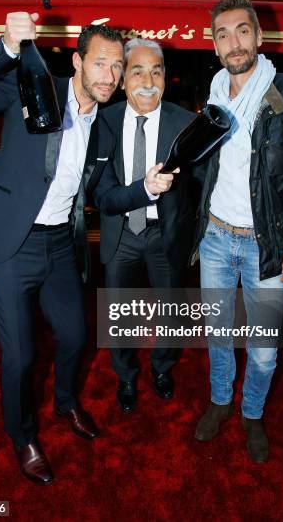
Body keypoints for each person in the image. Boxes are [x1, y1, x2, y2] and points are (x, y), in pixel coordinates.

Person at [0, 14, 173, 485]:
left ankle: (66, 402)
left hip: (59, 245)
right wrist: (5, 44)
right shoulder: (33, 85)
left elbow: (105, 196)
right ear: (77, 62)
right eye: (101, 64)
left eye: (117, 67)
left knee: (74, 336)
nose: (110, 76)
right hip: (11, 242)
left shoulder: (105, 129)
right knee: (22, 356)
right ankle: (22, 434)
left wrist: (145, 189)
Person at [193, 0, 283, 462]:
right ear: (214, 45)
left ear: (259, 37)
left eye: (242, 31)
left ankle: (252, 414)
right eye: (224, 34)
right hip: (215, 237)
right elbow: (207, 171)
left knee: (265, 350)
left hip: (267, 245)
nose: (234, 42)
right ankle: (220, 402)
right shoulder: (212, 96)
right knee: (216, 332)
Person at [93, 38, 203, 412]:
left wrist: (199, 234)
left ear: (165, 77)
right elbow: (101, 192)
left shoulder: (186, 123)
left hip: (166, 234)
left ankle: (163, 368)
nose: (148, 80)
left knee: (171, 312)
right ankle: (125, 376)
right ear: (123, 79)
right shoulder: (102, 122)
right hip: (120, 232)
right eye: (137, 70)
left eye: (156, 71)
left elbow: (204, 183)